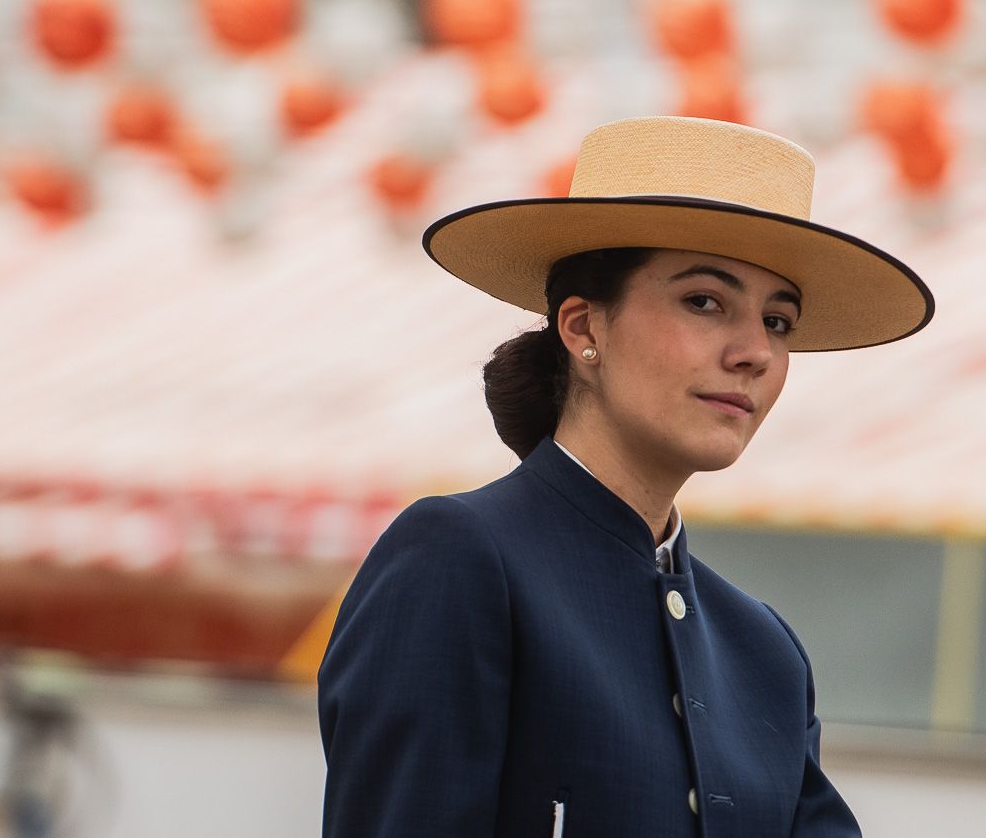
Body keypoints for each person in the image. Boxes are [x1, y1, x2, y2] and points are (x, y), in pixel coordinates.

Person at [317, 115, 933, 837]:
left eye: (779, 322)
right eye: (705, 301)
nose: (754, 352)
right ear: (582, 329)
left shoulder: (764, 653)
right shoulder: (461, 557)